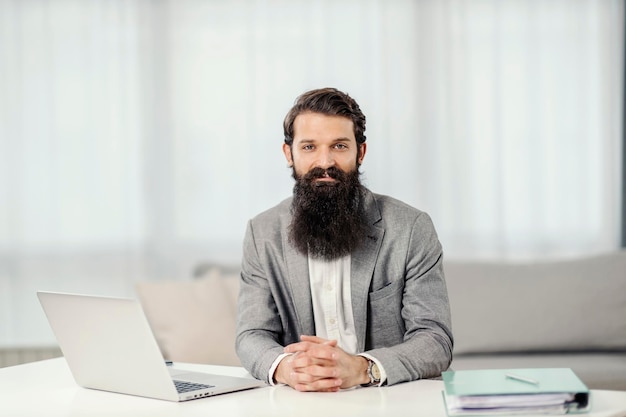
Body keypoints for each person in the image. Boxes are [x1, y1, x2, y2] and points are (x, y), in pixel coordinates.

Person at [235, 87, 453, 392]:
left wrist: (363, 368)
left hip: (389, 399)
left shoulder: (413, 227)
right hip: (300, 403)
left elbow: (434, 340)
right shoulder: (262, 233)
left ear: (360, 152)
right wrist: (287, 368)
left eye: (339, 146)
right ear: (289, 154)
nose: (325, 162)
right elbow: (251, 335)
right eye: (309, 147)